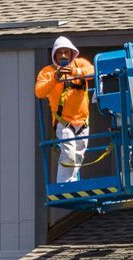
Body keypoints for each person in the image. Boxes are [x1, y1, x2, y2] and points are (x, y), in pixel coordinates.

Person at [36, 36, 95, 183]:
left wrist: (74, 72)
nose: (63, 55)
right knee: (68, 153)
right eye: (60, 52)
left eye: (66, 52)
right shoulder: (48, 72)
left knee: (78, 156)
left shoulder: (79, 64)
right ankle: (63, 185)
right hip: (64, 123)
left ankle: (72, 183)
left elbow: (93, 71)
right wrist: (55, 78)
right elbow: (39, 92)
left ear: (71, 53)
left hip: (82, 123)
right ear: (54, 54)